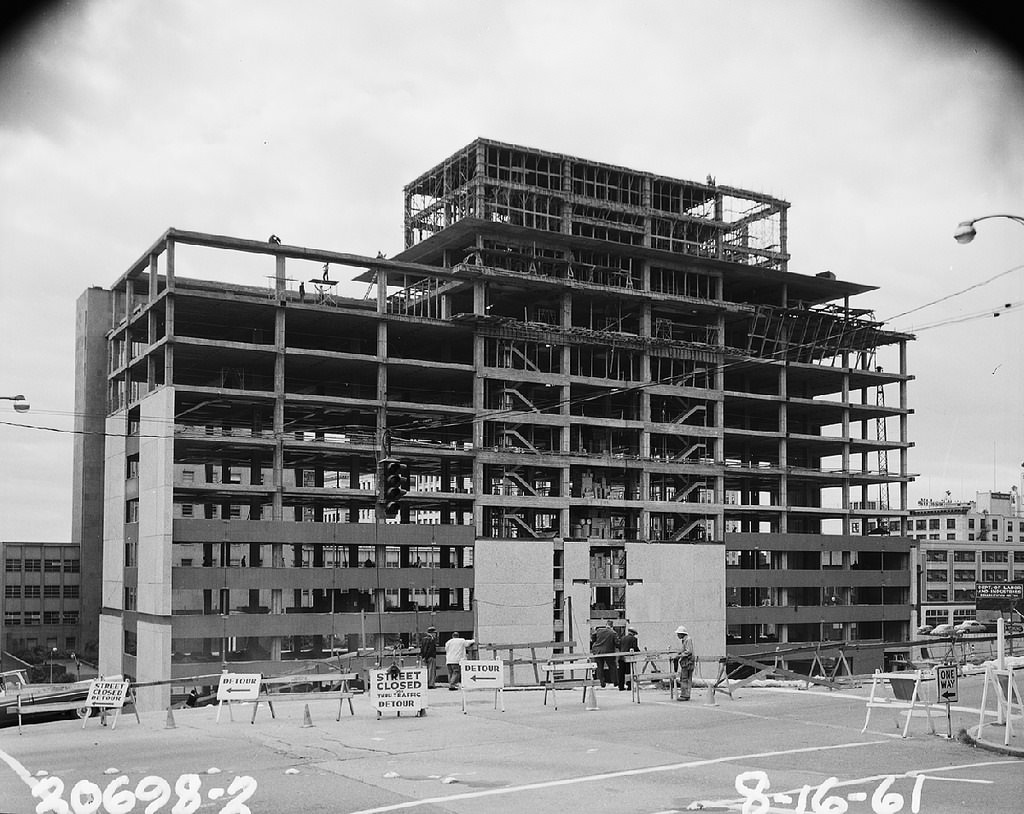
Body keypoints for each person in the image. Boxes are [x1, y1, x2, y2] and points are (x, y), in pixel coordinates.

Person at [590, 621, 618, 688]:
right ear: (612, 626)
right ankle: (615, 682)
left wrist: (596, 642)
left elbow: (593, 637)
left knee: (599, 667)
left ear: (606, 625)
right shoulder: (613, 633)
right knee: (612, 666)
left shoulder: (599, 630)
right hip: (609, 652)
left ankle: (601, 682)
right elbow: (617, 643)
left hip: (598, 651)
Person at [674, 625, 695, 701]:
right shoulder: (684, 640)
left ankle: (685, 695)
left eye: (678, 634)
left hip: (688, 662)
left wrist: (680, 655)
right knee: (684, 678)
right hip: (686, 662)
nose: (677, 635)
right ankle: (685, 694)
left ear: (681, 633)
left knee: (685, 678)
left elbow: (689, 651)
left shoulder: (688, 640)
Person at [617, 627, 639, 691]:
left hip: (621, 657)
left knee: (621, 672)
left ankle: (621, 686)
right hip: (629, 658)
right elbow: (635, 647)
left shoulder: (622, 638)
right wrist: (638, 652)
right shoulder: (634, 639)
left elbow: (619, 646)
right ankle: (629, 686)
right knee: (630, 672)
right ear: (633, 633)